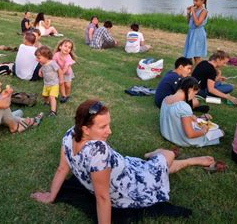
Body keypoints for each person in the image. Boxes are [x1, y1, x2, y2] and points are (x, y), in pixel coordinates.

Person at [31, 100, 215, 223]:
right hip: (132, 185)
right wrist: (50, 196)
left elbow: (63, 169)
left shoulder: (70, 134)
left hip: (128, 170)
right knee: (165, 159)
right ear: (86, 129)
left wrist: (50, 196)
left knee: (162, 163)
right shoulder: (96, 151)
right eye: (103, 127)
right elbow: (101, 197)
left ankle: (181, 159)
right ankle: (163, 155)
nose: (109, 131)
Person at [160, 77, 222, 147]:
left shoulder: (166, 99)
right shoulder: (183, 106)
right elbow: (190, 134)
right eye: (194, 94)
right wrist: (204, 130)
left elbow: (175, 118)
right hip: (181, 140)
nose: (193, 97)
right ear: (190, 89)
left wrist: (197, 118)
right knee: (219, 132)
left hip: (167, 134)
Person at [36, 46, 63, 117]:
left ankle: (53, 111)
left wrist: (61, 80)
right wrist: (40, 71)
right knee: (45, 95)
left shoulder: (52, 63)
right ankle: (46, 102)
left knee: (52, 97)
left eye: (39, 58)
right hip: (46, 84)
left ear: (46, 56)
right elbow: (42, 68)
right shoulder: (42, 63)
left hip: (54, 84)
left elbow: (59, 71)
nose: (37, 60)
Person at [183, 0, 208, 65]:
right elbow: (189, 23)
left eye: (196, 1)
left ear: (202, 1)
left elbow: (197, 24)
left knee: (196, 56)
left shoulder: (204, 11)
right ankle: (189, 72)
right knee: (188, 55)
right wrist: (188, 13)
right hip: (191, 33)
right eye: (194, 0)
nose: (194, 2)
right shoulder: (195, 9)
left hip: (198, 34)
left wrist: (193, 11)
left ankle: (199, 73)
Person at [53, 39, 76, 103]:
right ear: (60, 47)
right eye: (65, 46)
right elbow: (53, 63)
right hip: (59, 71)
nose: (67, 48)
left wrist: (61, 75)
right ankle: (63, 96)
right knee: (61, 84)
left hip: (67, 73)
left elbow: (66, 67)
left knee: (67, 86)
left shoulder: (68, 57)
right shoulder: (56, 55)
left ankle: (68, 95)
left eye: (69, 48)